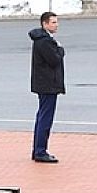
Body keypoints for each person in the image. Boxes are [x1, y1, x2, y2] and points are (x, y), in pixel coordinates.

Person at [29, 12, 66, 163]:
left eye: (56, 22)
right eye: (53, 22)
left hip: (45, 84)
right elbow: (54, 59)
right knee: (45, 117)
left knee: (42, 116)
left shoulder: (44, 40)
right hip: (47, 85)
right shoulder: (44, 42)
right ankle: (40, 151)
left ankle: (38, 149)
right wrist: (60, 51)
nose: (56, 25)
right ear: (44, 24)